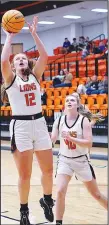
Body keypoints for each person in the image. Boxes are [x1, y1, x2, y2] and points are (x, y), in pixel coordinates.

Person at [1, 16, 54, 225]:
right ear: (13, 66)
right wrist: (9, 37)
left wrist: (34, 33)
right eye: (18, 59)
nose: (21, 60)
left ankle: (47, 200)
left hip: (40, 123)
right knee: (25, 174)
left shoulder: (35, 76)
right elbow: (3, 61)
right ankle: (23, 210)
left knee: (48, 170)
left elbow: (45, 55)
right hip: (21, 126)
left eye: (24, 58)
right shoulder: (10, 79)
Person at [51, 93, 107, 225]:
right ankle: (58, 222)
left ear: (77, 105)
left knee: (96, 195)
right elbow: (52, 140)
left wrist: (71, 138)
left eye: (72, 100)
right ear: (64, 104)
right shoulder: (58, 121)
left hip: (81, 161)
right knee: (59, 191)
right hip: (64, 160)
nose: (69, 102)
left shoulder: (84, 121)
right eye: (67, 100)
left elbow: (89, 143)